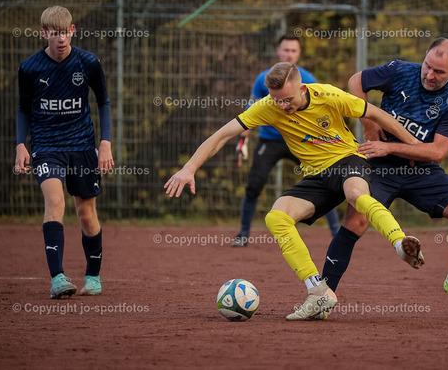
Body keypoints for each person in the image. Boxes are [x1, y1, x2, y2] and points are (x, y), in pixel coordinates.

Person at [165, 62, 424, 320]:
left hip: (348, 161)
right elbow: (221, 135)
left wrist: (413, 144)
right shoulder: (267, 106)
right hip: (317, 176)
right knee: (276, 217)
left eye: (287, 99)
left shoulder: (328, 95)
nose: (282, 106)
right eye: (277, 100)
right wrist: (189, 168)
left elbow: (376, 113)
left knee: (356, 195)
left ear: (302, 88)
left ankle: (400, 243)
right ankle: (318, 291)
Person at [321, 37, 448, 310]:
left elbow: (437, 152)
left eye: (439, 72)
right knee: (355, 222)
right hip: (379, 166)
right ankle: (322, 297)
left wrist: (389, 146)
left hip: (421, 170)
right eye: (427, 66)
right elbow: (355, 82)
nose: (429, 75)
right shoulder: (399, 70)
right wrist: (368, 125)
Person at [15, 6, 114, 298]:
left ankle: (92, 277)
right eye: (54, 33)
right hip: (46, 146)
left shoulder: (88, 62)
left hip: (82, 145)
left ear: (72, 31)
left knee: (86, 213)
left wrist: (105, 142)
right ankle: (57, 278)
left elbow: (104, 102)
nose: (60, 39)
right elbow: (23, 109)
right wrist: (21, 144)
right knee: (55, 201)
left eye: (65, 32)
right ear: (44, 33)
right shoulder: (30, 68)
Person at [232, 35, 339, 247]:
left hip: (301, 141)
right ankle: (243, 234)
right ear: (278, 52)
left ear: (298, 54)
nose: (289, 54)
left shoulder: (308, 79)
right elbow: (250, 111)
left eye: (293, 50)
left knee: (325, 181)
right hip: (269, 140)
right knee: (254, 185)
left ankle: (337, 234)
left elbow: (319, 111)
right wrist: (242, 139)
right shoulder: (263, 79)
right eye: (286, 50)